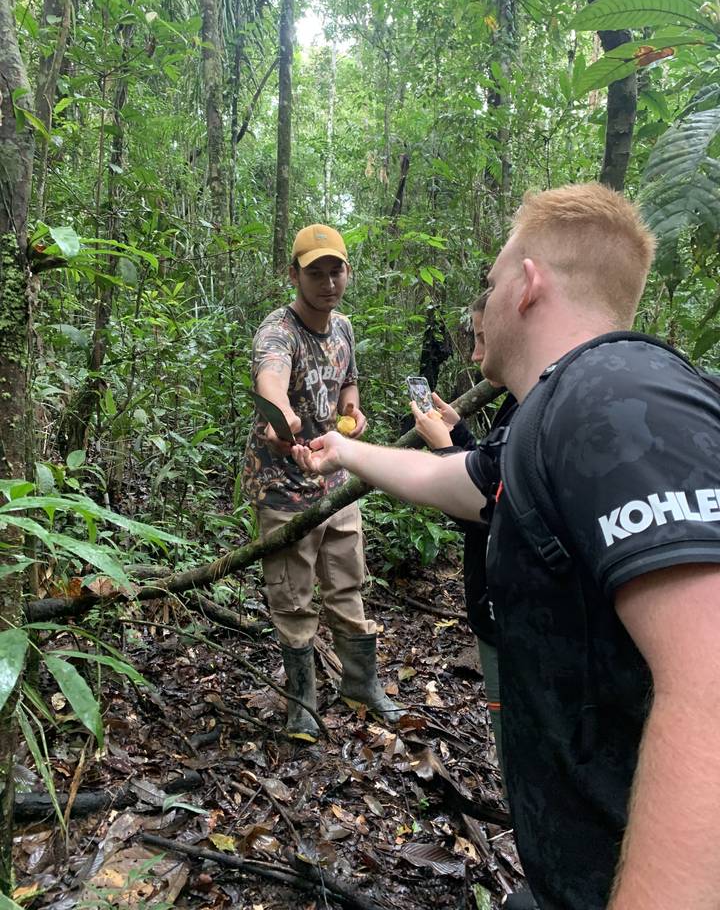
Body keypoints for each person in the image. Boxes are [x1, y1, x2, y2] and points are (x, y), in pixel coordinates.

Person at [292, 183, 720, 910]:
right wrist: (344, 450)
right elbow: (459, 481)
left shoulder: (618, 398)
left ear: (527, 285)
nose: (480, 307)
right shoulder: (550, 418)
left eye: (488, 286)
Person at [242, 224, 400, 742]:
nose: (328, 283)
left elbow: (347, 380)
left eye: (336, 271)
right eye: (316, 273)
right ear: (294, 275)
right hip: (284, 488)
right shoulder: (278, 331)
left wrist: (352, 408)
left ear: (347, 272)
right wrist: (280, 414)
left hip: (335, 484)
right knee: (293, 597)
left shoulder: (344, 328)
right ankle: (302, 703)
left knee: (347, 584)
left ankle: (361, 685)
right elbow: (271, 375)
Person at [412, 292, 515, 783]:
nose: (475, 355)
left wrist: (446, 452)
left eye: (482, 339)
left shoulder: (536, 409)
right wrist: (460, 437)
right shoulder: (520, 403)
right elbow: (495, 479)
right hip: (496, 610)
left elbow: (486, 511)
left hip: (510, 620)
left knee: (518, 750)